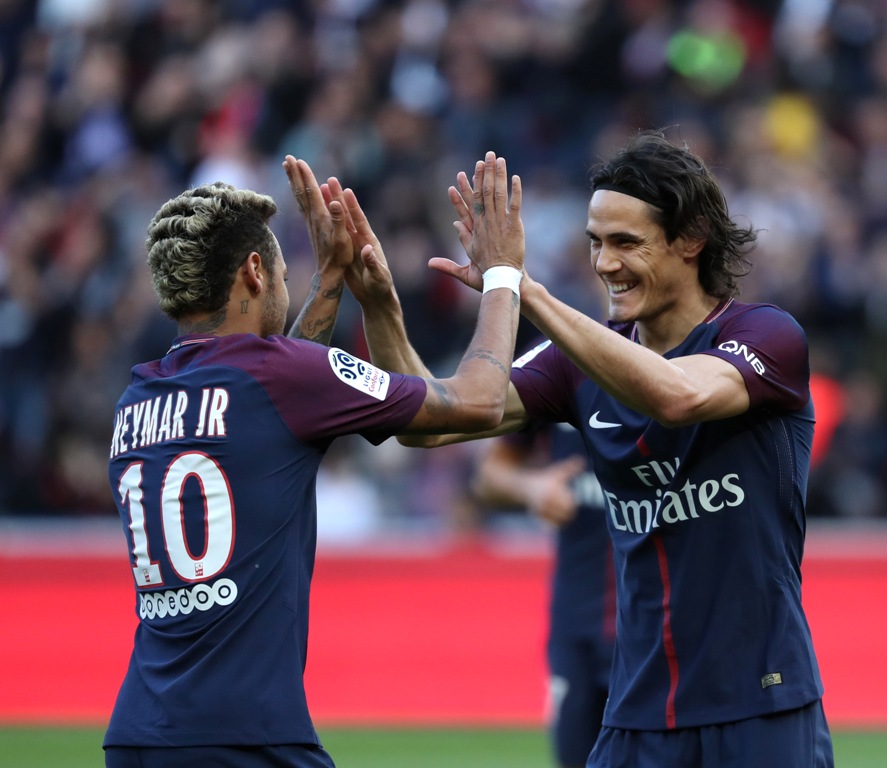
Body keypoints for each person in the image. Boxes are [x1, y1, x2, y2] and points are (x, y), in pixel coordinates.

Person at [330, 129, 835, 768]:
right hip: (636, 713)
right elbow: (430, 422)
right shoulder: (575, 363)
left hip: (761, 703)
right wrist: (380, 307)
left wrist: (519, 286)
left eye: (626, 242)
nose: (604, 263)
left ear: (692, 238)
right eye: (595, 242)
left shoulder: (766, 336)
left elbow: (677, 395)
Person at [103, 150, 525, 767]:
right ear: (254, 271)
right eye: (280, 272)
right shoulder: (281, 378)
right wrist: (504, 275)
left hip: (138, 734)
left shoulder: (137, 399)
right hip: (246, 736)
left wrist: (329, 279)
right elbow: (480, 402)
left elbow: (273, 409)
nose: (283, 283)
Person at [473, 425, 616, 768]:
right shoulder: (560, 393)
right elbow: (488, 476)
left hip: (659, 624)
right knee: (575, 755)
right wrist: (531, 486)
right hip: (577, 618)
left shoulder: (680, 395)